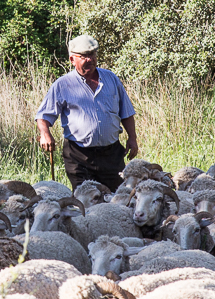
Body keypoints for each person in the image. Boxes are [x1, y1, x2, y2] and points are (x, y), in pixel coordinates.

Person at [35, 35, 138, 190]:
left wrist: (132, 138)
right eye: (83, 56)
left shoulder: (111, 79)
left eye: (92, 55)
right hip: (78, 156)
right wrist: (45, 134)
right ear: (72, 60)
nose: (89, 60)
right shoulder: (63, 85)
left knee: (117, 198)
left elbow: (126, 112)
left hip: (111, 154)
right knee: (85, 200)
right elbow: (43, 116)